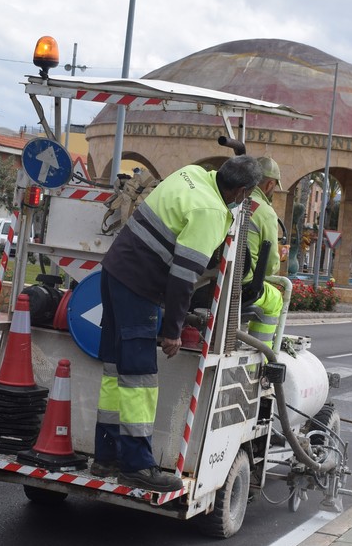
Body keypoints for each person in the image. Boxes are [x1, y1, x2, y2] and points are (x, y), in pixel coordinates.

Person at [92, 155, 262, 491]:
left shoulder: (190, 171)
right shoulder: (211, 212)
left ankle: (106, 455)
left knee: (115, 370)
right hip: (139, 286)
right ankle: (137, 467)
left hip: (114, 271)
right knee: (140, 379)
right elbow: (183, 277)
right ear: (242, 191)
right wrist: (172, 330)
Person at [243, 157, 284, 348]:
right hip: (242, 286)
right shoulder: (266, 212)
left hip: (209, 277)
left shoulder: (233, 197)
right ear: (270, 184)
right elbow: (269, 267)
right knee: (275, 299)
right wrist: (279, 260)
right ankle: (258, 360)